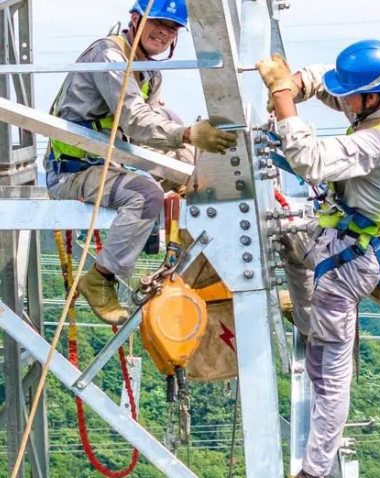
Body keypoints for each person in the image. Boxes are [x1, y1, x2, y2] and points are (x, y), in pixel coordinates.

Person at [256, 40, 380, 478]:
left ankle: (315, 468)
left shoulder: (379, 140)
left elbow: (310, 161)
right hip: (335, 237)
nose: (342, 102)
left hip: (349, 262)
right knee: (288, 242)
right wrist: (296, 83)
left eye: (351, 96)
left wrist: (284, 98)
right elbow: (328, 81)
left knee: (327, 370)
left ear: (371, 96)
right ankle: (306, 317)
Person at [44, 0, 237, 326]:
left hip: (109, 161)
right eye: (157, 22)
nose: (163, 32)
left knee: (188, 161)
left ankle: (205, 258)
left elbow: (149, 129)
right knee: (145, 194)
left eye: (172, 28)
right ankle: (101, 277)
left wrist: (186, 157)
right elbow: (134, 120)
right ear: (135, 19)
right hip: (73, 171)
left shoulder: (150, 72)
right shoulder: (109, 56)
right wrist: (188, 134)